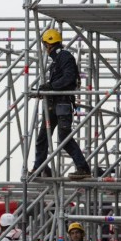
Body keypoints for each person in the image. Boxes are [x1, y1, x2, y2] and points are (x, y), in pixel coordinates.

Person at [29, 29, 91, 180]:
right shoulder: (57, 59)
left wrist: (51, 86)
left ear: (49, 44)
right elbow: (61, 79)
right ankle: (40, 168)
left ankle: (83, 168)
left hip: (62, 103)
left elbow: (69, 78)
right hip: (53, 103)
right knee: (43, 137)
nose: (44, 48)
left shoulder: (64, 56)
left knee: (64, 136)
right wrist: (46, 88)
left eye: (45, 45)